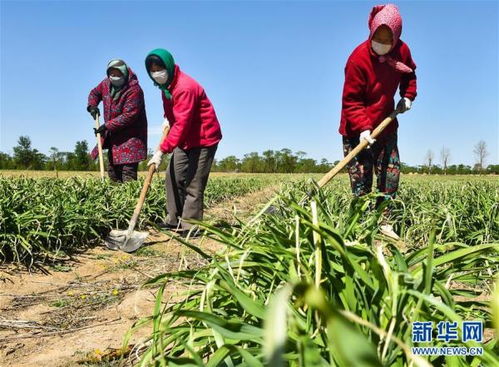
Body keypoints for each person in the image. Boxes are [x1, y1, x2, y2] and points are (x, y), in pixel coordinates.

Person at [339, 4, 417, 239]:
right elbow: (351, 100)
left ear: (396, 37)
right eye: (378, 37)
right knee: (362, 177)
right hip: (357, 128)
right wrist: (363, 128)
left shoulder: (402, 52)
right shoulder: (357, 59)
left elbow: (410, 74)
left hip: (386, 123)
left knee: (389, 174)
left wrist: (407, 95)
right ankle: (362, 225)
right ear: (371, 32)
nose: (382, 42)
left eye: (387, 38)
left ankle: (385, 222)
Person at [145, 48, 222, 236]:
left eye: (159, 68)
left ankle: (191, 226)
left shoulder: (184, 87)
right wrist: (167, 118)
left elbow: (182, 125)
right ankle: (173, 220)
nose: (157, 73)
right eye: (152, 70)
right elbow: (174, 116)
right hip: (185, 137)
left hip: (204, 137)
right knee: (173, 176)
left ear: (169, 66)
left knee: (193, 183)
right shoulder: (166, 88)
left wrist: (161, 151)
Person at [87, 59, 148, 182]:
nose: (114, 77)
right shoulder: (105, 84)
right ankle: (115, 199)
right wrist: (92, 106)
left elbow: (129, 115)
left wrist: (107, 126)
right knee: (113, 173)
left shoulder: (134, 89)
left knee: (127, 174)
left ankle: (131, 200)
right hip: (114, 138)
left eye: (117, 74)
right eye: (112, 74)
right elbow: (94, 93)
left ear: (124, 73)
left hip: (131, 139)